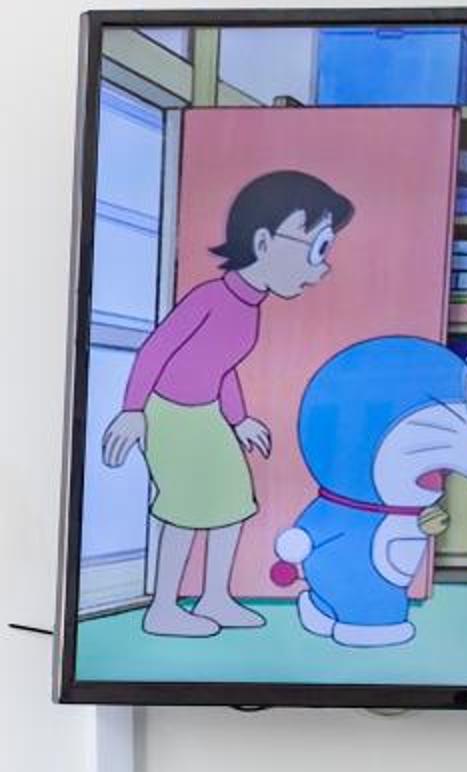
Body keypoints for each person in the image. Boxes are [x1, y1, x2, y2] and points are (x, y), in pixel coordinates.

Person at [100, 168, 355, 636]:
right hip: (169, 413)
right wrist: (133, 411)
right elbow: (156, 349)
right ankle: (163, 608)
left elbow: (222, 366)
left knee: (234, 500)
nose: (322, 268)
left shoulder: (250, 308)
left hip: (207, 413)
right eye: (315, 249)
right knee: (185, 506)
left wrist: (238, 421)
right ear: (263, 243)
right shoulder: (211, 299)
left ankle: (215, 597)